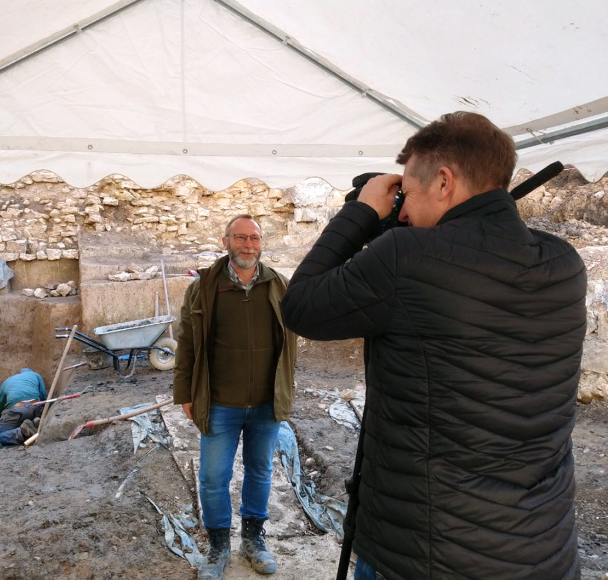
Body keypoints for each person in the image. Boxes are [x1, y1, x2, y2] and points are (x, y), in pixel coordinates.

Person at [281, 112, 587, 580]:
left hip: (425, 553)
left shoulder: (407, 258)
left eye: (410, 192)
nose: (402, 211)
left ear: (444, 182)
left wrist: (361, 212)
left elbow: (300, 306)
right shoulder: (563, 263)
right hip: (542, 550)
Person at [173, 215, 297, 579]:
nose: (247, 245)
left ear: (262, 243)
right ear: (225, 241)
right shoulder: (205, 287)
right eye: (240, 238)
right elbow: (187, 344)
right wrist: (184, 392)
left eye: (254, 239)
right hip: (219, 403)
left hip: (265, 404)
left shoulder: (279, 286)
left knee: (260, 472)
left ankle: (253, 540)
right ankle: (218, 546)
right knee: (213, 477)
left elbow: (291, 345)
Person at [0, 368, 47, 446]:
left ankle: (22, 431)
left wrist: (3, 418)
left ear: (19, 373)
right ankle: (35, 420)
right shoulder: (36, 375)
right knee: (35, 411)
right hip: (36, 407)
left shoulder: (8, 381)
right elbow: (43, 397)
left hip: (17, 410)